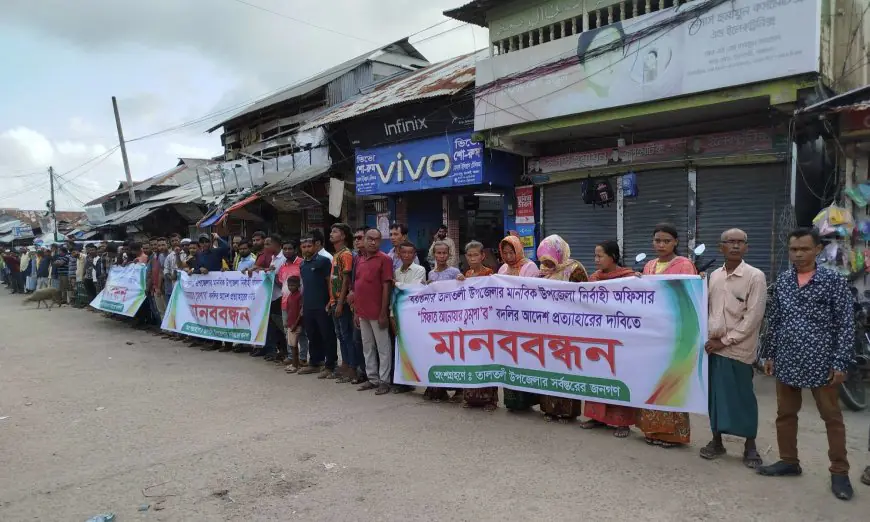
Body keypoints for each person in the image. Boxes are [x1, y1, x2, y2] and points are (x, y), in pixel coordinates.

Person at [757, 228, 855, 501]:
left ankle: (839, 472)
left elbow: (845, 324)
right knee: (785, 414)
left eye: (804, 249)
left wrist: (840, 361)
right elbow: (774, 321)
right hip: (787, 359)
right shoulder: (784, 281)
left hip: (822, 362)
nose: (798, 254)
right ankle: (789, 461)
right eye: (793, 249)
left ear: (818, 250)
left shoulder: (833, 281)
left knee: (832, 419)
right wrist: (769, 355)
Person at [700, 229, 767, 468]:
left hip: (738, 349)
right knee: (715, 397)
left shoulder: (755, 276)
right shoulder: (713, 276)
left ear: (747, 248)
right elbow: (705, 308)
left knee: (743, 398)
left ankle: (750, 446)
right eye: (731, 242)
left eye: (741, 242)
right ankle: (716, 441)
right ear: (721, 247)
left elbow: (753, 317)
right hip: (713, 347)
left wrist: (725, 340)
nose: (736, 246)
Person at [637, 223, 696, 448]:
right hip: (652, 332)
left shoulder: (684, 265)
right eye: (657, 240)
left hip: (675, 332)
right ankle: (652, 431)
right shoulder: (649, 265)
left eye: (666, 241)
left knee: (672, 382)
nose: (661, 245)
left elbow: (687, 297)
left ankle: (673, 434)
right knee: (651, 380)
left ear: (675, 242)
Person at [581, 240, 638, 437]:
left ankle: (622, 422)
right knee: (597, 375)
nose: (596, 260)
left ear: (613, 256)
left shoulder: (628, 278)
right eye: (595, 256)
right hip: (597, 337)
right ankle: (596, 417)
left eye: (600, 256)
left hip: (620, 339)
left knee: (619, 376)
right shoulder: (593, 279)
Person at [536, 235, 588, 422]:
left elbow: (584, 298)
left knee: (567, 367)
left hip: (568, 328)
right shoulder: (541, 271)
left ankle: (567, 411)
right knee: (548, 367)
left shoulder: (574, 269)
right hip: (546, 328)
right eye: (544, 261)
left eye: (550, 261)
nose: (548, 265)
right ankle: (549, 408)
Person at [498, 235, 541, 412]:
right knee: (510, 358)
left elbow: (531, 293)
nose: (508, 256)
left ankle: (527, 400)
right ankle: (512, 401)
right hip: (507, 322)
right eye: (505, 253)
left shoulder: (530, 266)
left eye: (511, 252)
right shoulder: (502, 269)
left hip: (526, 322)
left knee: (526, 358)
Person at [354, 228, 394, 395]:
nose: (372, 242)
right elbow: (356, 285)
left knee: (383, 347)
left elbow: (387, 286)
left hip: (378, 312)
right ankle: (372, 378)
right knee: (368, 347)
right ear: (364, 240)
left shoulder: (384, 259)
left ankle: (384, 381)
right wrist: (356, 311)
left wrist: (383, 312)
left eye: (376, 240)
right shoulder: (359, 259)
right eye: (369, 239)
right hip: (362, 311)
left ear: (380, 242)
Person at [422, 240, 464, 402]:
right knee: (439, 352)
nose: (441, 256)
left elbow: (461, 291)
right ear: (434, 255)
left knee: (453, 352)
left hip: (452, 318)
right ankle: (440, 388)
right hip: (437, 319)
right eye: (438, 253)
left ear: (449, 255)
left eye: (444, 253)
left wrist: (461, 279)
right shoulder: (431, 274)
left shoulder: (454, 272)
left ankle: (459, 389)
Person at [460, 240, 498, 411]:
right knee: (471, 358)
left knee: (487, 358)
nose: (473, 258)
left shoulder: (490, 275)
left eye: (476, 255)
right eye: (470, 255)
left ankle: (490, 399)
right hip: (470, 324)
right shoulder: (466, 275)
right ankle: (471, 398)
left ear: (483, 256)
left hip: (486, 323)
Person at [298, 235, 337, 378]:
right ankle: (315, 363)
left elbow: (329, 282)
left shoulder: (323, 261)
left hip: (323, 305)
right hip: (308, 305)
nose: (307, 249)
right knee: (312, 335)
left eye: (309, 246)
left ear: (315, 246)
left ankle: (330, 365)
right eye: (304, 246)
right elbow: (304, 286)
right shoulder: (302, 265)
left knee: (327, 335)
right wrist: (302, 305)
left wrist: (330, 300)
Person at [328, 223, 357, 383]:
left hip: (342, 301)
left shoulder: (346, 254)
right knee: (340, 334)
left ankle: (351, 366)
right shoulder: (336, 254)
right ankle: (345, 363)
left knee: (346, 335)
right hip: (334, 300)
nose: (331, 234)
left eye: (335, 231)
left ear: (343, 236)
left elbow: (346, 279)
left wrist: (340, 303)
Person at [283, 276, 304, 373]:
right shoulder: (290, 296)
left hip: (296, 325)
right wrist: (287, 321)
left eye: (293, 285)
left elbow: (301, 312)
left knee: (294, 346)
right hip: (291, 324)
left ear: (298, 286)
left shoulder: (299, 296)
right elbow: (288, 310)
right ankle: (296, 364)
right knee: (292, 345)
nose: (291, 287)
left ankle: (295, 365)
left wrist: (295, 324)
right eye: (289, 285)